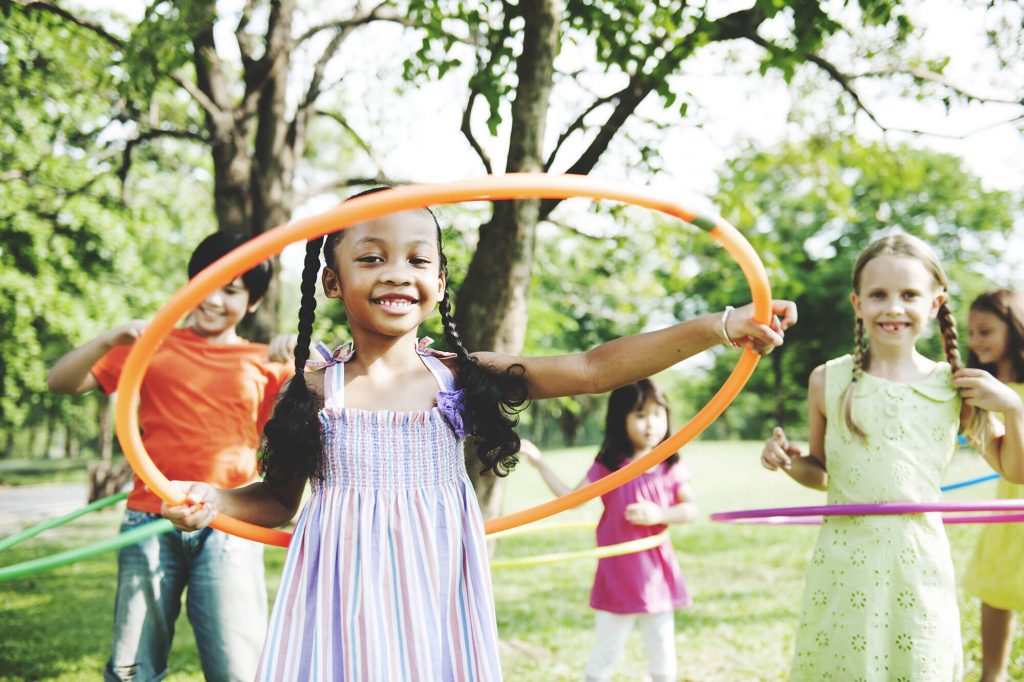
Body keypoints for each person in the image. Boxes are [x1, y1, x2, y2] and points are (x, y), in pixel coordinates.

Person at [163, 189, 797, 681]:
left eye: (417, 259)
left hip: (437, 593)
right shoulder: (311, 388)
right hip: (340, 599)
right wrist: (211, 502)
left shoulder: (462, 377)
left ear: (439, 283)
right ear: (332, 281)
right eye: (371, 257)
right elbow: (276, 502)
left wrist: (724, 325)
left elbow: (594, 368)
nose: (395, 273)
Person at [760, 233, 1024, 681]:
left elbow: (1015, 471)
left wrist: (1013, 408)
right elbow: (821, 474)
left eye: (909, 295)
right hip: (844, 565)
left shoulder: (954, 386)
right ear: (857, 303)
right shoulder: (828, 379)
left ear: (936, 302)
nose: (893, 308)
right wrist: (789, 461)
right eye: (878, 294)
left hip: (918, 566)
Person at [47, 231, 293, 682]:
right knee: (132, 668)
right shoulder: (149, 346)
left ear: (253, 303)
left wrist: (296, 363)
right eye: (205, 282)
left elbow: (286, 439)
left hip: (229, 523)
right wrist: (108, 339)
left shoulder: (266, 363)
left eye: (232, 290)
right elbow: (61, 382)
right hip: (149, 519)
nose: (214, 298)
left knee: (239, 667)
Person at [520, 378, 696, 682]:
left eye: (657, 414)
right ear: (621, 419)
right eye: (640, 415)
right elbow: (571, 500)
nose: (650, 424)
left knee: (662, 650)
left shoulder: (670, 465)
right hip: (617, 575)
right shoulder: (609, 464)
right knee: (606, 649)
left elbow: (690, 510)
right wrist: (539, 463)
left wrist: (660, 513)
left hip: (656, 575)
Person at [960, 289, 1024, 682]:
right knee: (996, 597)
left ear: (1015, 330)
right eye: (970, 332)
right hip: (1008, 519)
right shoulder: (975, 397)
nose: (975, 341)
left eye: (985, 331)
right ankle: (992, 676)